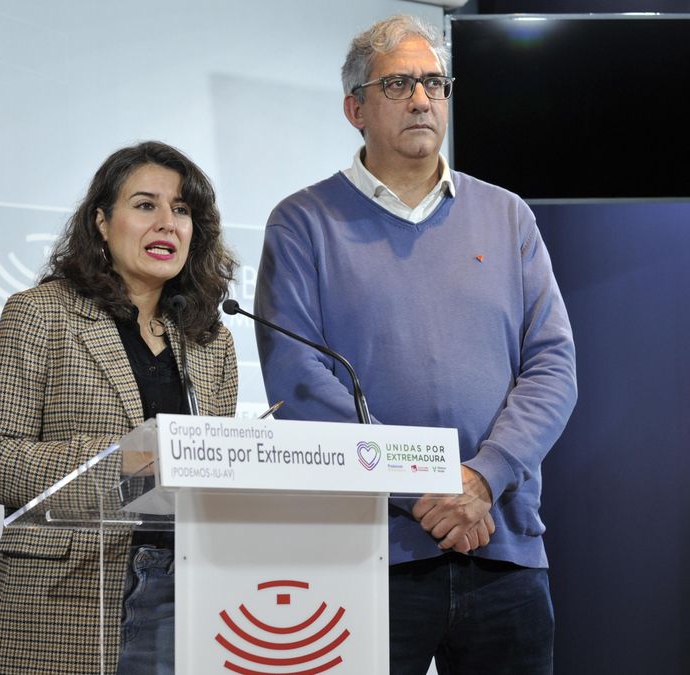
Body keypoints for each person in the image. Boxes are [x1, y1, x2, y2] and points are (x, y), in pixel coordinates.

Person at [254, 14, 577, 675]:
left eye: (435, 83)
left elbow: (553, 366)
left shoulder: (508, 215)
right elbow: (300, 384)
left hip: (503, 551)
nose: (423, 100)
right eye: (399, 84)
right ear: (355, 108)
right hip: (367, 556)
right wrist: (427, 489)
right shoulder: (302, 223)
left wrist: (482, 480)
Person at [0, 141, 239, 674]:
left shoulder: (211, 340)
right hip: (61, 597)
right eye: (145, 205)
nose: (167, 223)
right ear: (100, 222)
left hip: (185, 590)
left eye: (182, 210)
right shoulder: (40, 314)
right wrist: (128, 463)